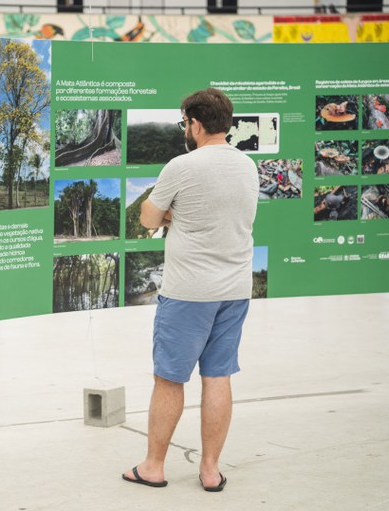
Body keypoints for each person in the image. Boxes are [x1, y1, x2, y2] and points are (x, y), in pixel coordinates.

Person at [122, 88, 259, 492]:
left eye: (185, 123)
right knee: (218, 377)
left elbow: (148, 218)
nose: (185, 129)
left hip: (188, 293)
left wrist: (169, 213)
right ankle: (210, 471)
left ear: (196, 124)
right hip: (235, 290)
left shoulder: (182, 166)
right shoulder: (248, 166)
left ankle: (153, 467)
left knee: (169, 379)